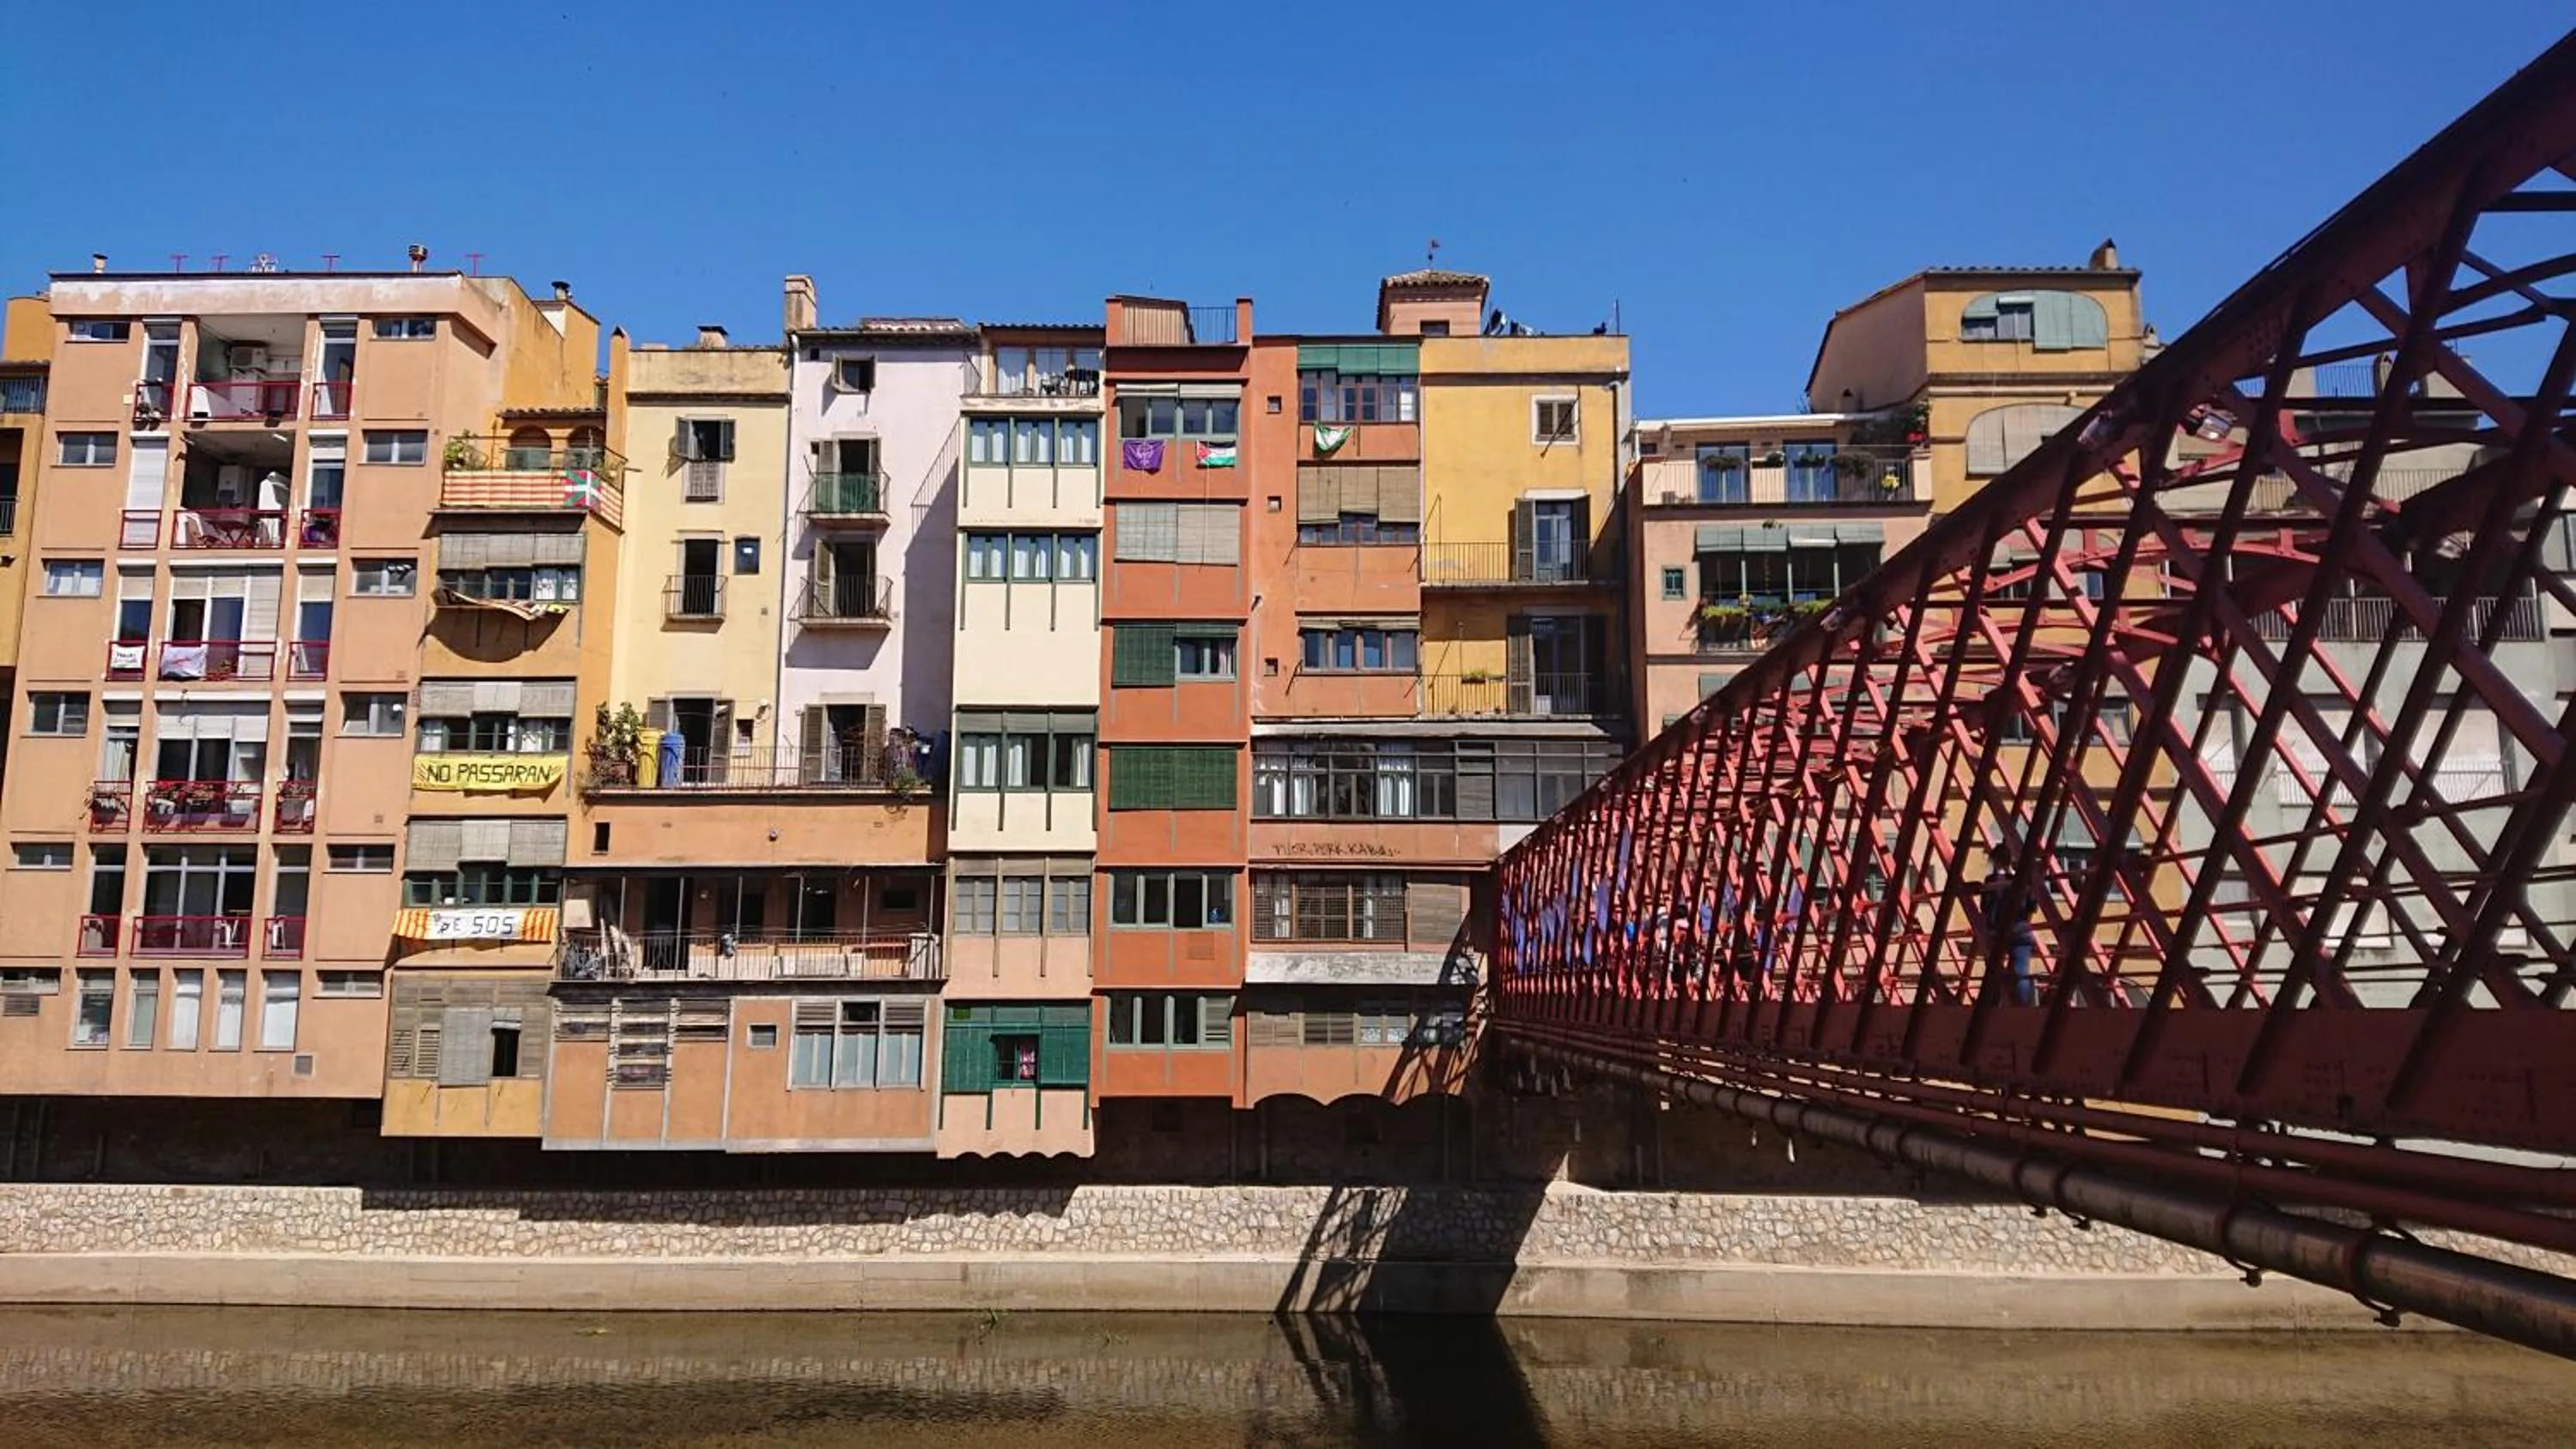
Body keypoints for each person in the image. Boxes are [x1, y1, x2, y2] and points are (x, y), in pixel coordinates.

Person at [1980, 870, 2039, 1005]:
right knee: (2020, 972)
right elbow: (2032, 906)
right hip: (2020, 929)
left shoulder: (1990, 880)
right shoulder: (2024, 877)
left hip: (1997, 931)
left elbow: (1984, 907)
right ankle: (2022, 1008)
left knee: (1994, 973)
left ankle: (1993, 1007)